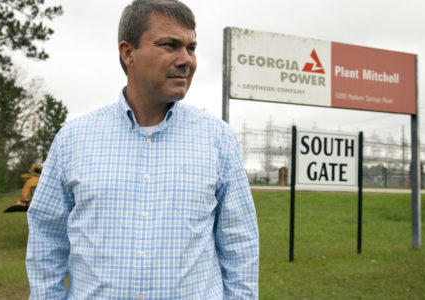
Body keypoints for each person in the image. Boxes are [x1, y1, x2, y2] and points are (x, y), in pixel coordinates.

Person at [26, 0, 259, 298]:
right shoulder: (73, 140)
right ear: (128, 53)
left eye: (191, 47)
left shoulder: (218, 140)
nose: (185, 59)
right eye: (169, 45)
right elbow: (47, 239)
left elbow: (240, 246)